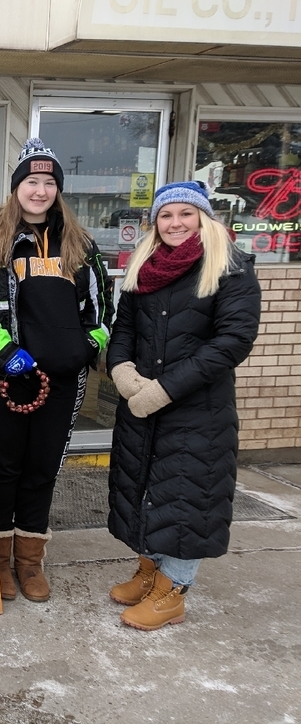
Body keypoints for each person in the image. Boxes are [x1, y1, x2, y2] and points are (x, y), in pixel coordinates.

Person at [0, 137, 114, 603]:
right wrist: (5, 353)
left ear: (58, 189)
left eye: (48, 182)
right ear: (17, 187)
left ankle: (30, 562)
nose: (39, 190)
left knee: (43, 469)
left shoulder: (82, 244)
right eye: (31, 181)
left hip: (61, 380)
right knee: (1, 468)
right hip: (1, 376)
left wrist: (85, 349)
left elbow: (103, 313)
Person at [106, 181, 260, 631]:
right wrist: (122, 372)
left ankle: (173, 590)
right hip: (142, 404)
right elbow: (123, 331)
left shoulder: (230, 267)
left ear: (204, 218)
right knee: (147, 487)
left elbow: (232, 341)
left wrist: (167, 389)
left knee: (189, 496)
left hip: (197, 410)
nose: (175, 224)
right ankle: (150, 570)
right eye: (166, 216)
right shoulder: (145, 268)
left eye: (185, 215)